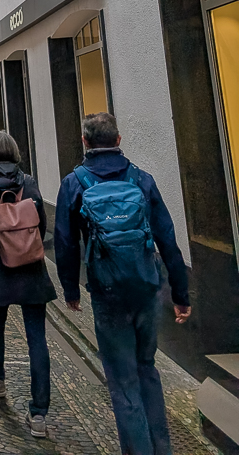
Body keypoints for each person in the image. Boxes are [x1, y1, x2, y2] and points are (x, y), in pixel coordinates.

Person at [54, 112, 191, 455]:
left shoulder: (75, 183)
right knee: (147, 368)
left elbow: (66, 242)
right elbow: (168, 240)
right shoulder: (141, 180)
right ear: (118, 140)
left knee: (122, 379)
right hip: (147, 288)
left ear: (85, 143)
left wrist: (71, 289)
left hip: (107, 292)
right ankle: (163, 448)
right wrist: (181, 293)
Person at [0, 131, 56, 439]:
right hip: (31, 268)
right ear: (15, 153)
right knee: (37, 340)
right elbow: (42, 222)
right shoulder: (28, 182)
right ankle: (40, 413)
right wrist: (28, 245)